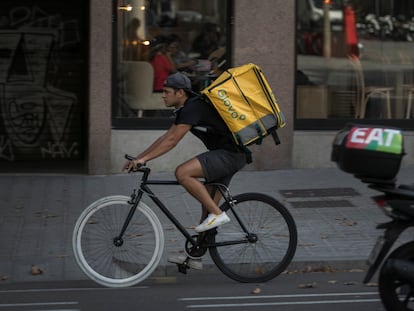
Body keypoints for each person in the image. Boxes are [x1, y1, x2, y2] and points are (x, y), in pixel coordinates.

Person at [124, 72, 248, 268]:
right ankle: (195, 257)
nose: (162, 95)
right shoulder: (188, 108)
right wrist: (141, 158)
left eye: (166, 92)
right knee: (206, 211)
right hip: (230, 155)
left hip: (228, 155)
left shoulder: (193, 107)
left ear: (180, 93)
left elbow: (172, 141)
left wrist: (145, 159)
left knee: (182, 172)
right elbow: (166, 137)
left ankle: (218, 214)